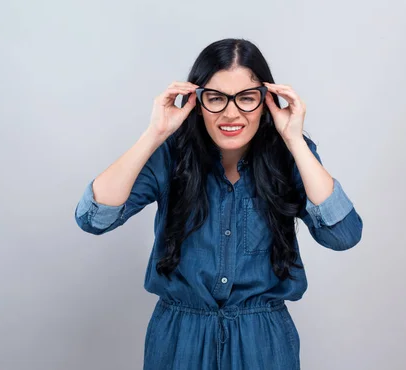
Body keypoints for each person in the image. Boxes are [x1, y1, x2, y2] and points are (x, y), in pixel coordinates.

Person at [74, 38, 363, 370]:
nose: (231, 112)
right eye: (216, 98)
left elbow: (343, 235)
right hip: (179, 338)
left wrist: (294, 140)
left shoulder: (290, 157)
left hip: (263, 340)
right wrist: (154, 133)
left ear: (266, 101)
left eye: (246, 99)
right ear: (198, 102)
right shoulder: (171, 155)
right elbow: (93, 218)